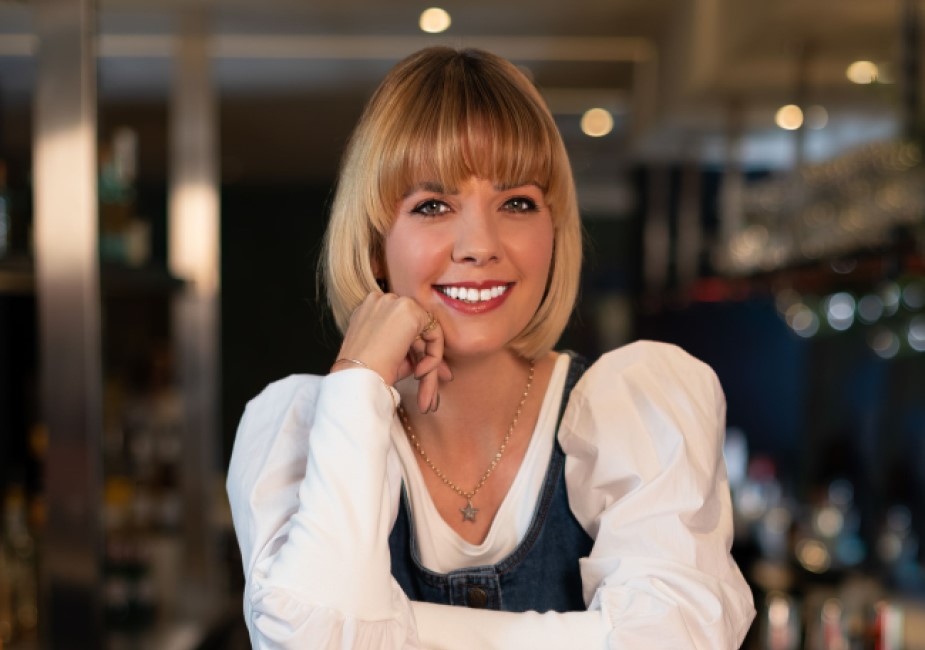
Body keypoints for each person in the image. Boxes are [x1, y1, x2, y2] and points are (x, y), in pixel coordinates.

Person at [227, 46, 755, 649]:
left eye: (517, 203)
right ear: (377, 246)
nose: (479, 244)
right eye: (432, 205)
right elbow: (307, 642)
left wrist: (387, 633)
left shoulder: (635, 406)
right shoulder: (297, 428)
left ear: (553, 232)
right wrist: (358, 379)